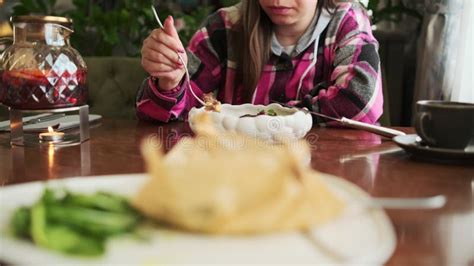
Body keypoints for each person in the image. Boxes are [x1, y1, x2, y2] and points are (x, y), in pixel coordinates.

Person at [136, 0, 383, 125]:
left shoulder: (347, 21)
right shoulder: (223, 27)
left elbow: (358, 103)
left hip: (322, 175)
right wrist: (170, 82)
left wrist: (257, 119)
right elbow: (162, 113)